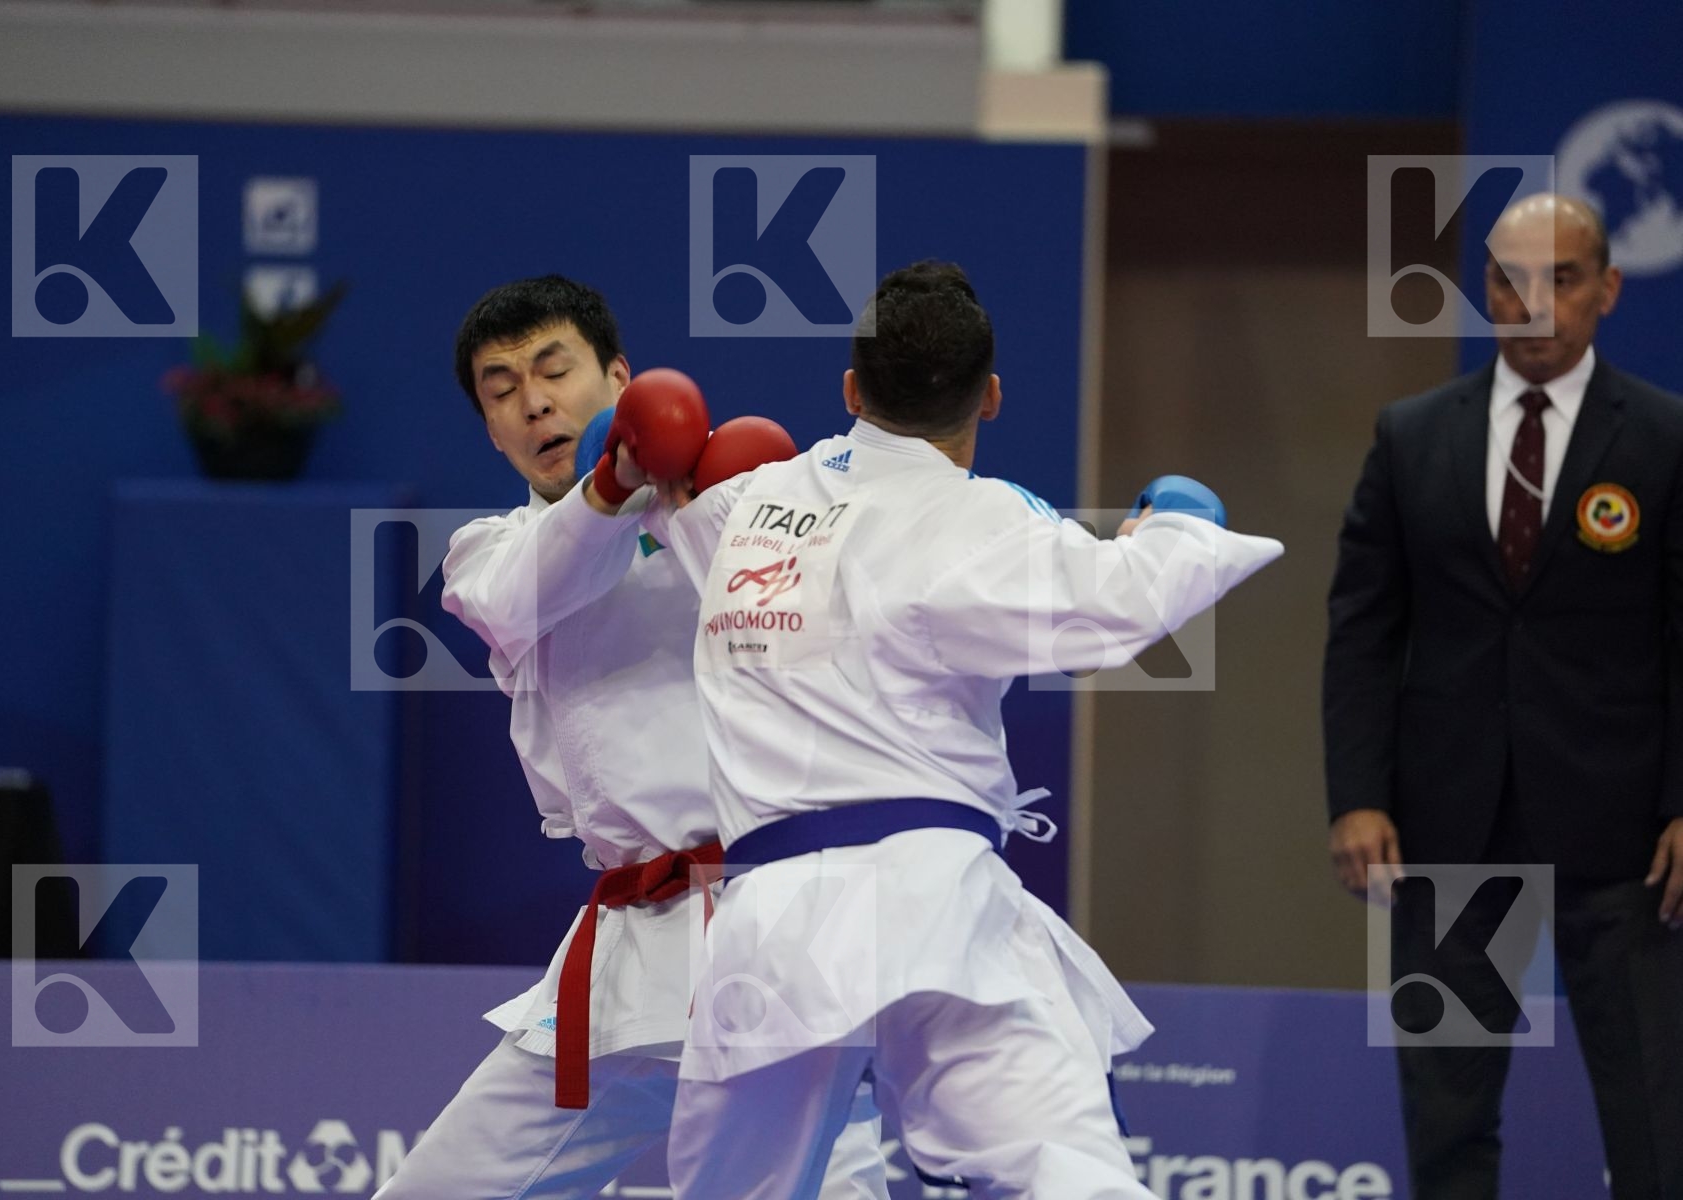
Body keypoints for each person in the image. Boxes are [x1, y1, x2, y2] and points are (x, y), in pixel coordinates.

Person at [610, 261, 1283, 1199]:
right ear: (991, 396)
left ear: (851, 390)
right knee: (1063, 1173)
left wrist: (635, 468)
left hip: (771, 932)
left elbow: (660, 511)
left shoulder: (739, 511)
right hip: (938, 913)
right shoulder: (984, 522)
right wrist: (1179, 524)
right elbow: (1116, 609)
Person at [374, 275, 886, 1200]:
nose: (533, 403)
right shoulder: (489, 554)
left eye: (553, 370)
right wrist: (614, 483)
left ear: (618, 378)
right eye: (501, 391)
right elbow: (530, 591)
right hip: (630, 951)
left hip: (777, 929)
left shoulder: (737, 511)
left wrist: (723, 506)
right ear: (490, 431)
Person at [1324, 194, 1683, 1200]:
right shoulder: (1411, 436)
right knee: (1447, 1118)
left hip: (1626, 842)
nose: (1532, 305)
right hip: (1449, 829)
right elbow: (1363, 627)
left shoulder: (1665, 439)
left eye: (1560, 280)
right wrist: (1358, 795)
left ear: (1607, 289)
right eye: (1508, 281)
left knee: (1656, 1124)